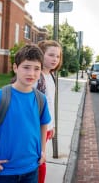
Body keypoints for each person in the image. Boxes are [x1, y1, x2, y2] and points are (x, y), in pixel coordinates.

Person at [0, 44, 51, 183]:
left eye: (36, 69)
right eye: (26, 67)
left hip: (32, 169)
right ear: (15, 68)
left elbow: (44, 124)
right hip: (4, 172)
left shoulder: (40, 99)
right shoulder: (1, 96)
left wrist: (42, 151)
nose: (31, 73)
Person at [36, 40, 63, 183]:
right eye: (51, 55)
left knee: (40, 160)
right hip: (37, 127)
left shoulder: (51, 75)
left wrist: (52, 127)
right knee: (40, 161)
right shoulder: (36, 76)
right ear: (41, 55)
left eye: (57, 56)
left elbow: (51, 104)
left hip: (47, 127)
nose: (55, 59)